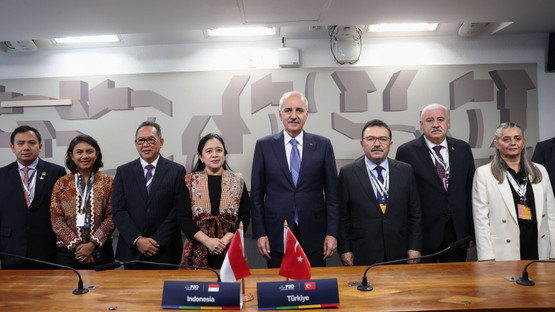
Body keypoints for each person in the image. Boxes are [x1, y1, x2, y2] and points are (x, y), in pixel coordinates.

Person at [251, 91, 340, 268]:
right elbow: (256, 195)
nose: (293, 116)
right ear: (280, 114)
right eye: (288, 110)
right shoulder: (264, 145)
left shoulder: (323, 145)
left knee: (313, 288)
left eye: (299, 110)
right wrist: (260, 233)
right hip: (276, 234)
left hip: (315, 235)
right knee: (280, 289)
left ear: (307, 114)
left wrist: (332, 233)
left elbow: (332, 196)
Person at [396, 103, 475, 262]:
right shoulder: (406, 151)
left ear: (448, 122)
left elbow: (470, 191)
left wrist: (470, 232)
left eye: (441, 119)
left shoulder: (463, 148)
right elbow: (402, 199)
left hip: (457, 234)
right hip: (424, 234)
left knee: (456, 284)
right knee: (425, 285)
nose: (436, 125)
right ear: (421, 125)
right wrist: (411, 240)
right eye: (430, 120)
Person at [339, 120, 422, 266]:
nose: (377, 144)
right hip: (362, 251)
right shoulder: (348, 173)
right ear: (362, 144)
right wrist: (345, 249)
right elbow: (342, 216)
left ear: (390, 144)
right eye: (370, 139)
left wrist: (414, 246)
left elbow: (415, 213)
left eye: (383, 139)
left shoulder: (406, 171)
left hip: (400, 250)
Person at [473, 122, 555, 261]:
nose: (512, 143)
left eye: (517, 138)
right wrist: (486, 257)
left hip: (538, 245)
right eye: (506, 139)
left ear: (524, 143)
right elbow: (481, 220)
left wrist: (553, 253)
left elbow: (551, 215)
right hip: (503, 250)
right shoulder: (484, 173)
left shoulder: (540, 170)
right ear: (496, 144)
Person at [112, 121, 188, 269]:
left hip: (165, 250)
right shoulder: (123, 172)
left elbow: (178, 209)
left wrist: (157, 241)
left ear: (161, 142)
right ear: (136, 143)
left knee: (165, 292)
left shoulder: (177, 171)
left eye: (151, 139)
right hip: (133, 250)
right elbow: (118, 211)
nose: (145, 144)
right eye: (141, 140)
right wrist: (138, 240)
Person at [177, 133, 251, 269]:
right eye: (209, 151)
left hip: (230, 246)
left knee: (232, 289)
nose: (215, 155)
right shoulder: (189, 181)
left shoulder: (238, 180)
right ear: (201, 157)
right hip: (197, 249)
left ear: (225, 154)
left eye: (219, 150)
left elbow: (244, 216)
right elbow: (183, 218)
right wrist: (208, 241)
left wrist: (225, 240)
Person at [0, 125, 66, 269]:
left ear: (40, 146)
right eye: (20, 143)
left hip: (46, 249)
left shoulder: (57, 172)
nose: (26, 147)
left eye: (31, 142)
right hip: (10, 249)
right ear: (12, 147)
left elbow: (63, 211)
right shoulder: (2, 175)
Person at [50, 135, 115, 269]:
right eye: (79, 152)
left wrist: (92, 245)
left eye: (89, 151)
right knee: (66, 289)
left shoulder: (108, 182)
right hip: (67, 252)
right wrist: (77, 246)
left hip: (101, 250)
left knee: (104, 289)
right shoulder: (62, 183)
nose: (84, 156)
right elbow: (56, 218)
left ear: (96, 154)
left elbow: (112, 216)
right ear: (71, 156)